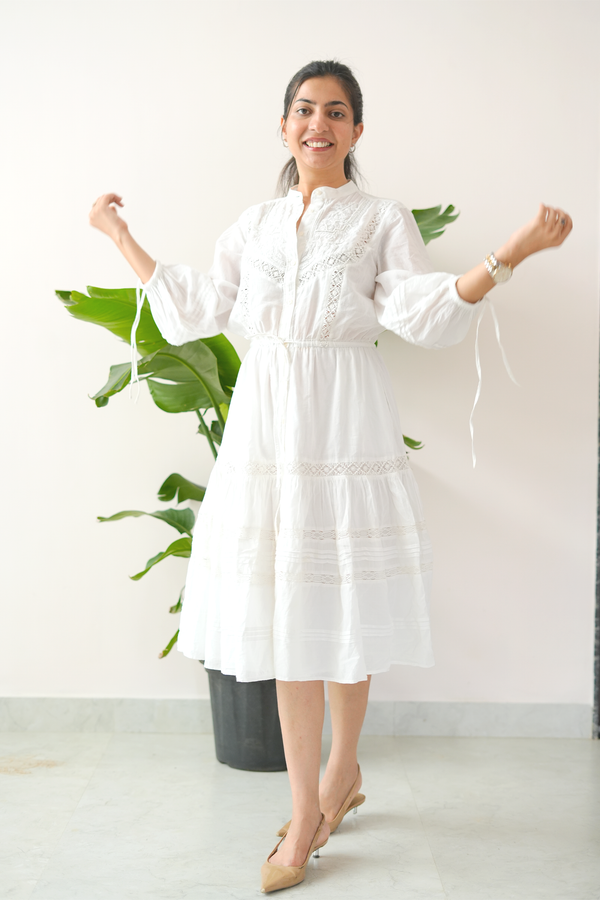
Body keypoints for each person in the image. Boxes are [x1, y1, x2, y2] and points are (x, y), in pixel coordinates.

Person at [89, 59, 572, 894]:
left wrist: (510, 253)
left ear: (356, 131)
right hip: (269, 430)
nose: (320, 123)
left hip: (345, 416)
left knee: (342, 598)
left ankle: (339, 777)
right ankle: (306, 805)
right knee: (288, 619)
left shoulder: (380, 219)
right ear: (284, 128)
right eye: (305, 110)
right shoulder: (251, 226)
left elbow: (421, 308)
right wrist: (117, 234)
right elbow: (198, 308)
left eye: (337, 111)